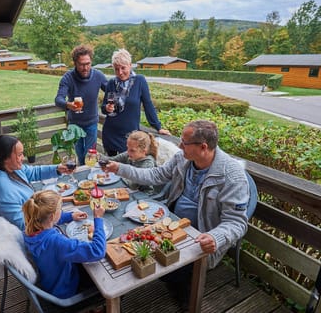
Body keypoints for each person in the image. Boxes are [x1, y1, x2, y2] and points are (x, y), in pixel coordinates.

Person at [103, 120, 249, 307]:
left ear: (203, 147)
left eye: (184, 143)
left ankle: (185, 294)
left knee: (171, 271)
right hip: (172, 223)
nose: (179, 146)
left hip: (201, 235)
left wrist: (216, 237)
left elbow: (237, 222)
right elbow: (155, 175)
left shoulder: (232, 175)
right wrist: (120, 168)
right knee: (132, 243)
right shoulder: (183, 158)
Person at [0, 135, 87, 231]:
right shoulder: (3, 192)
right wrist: (62, 217)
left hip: (37, 217)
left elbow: (33, 172)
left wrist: (57, 169)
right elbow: (25, 225)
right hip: (22, 237)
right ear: (5, 158)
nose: (23, 157)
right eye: (19, 155)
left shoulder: (7, 166)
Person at [23, 190, 106, 299]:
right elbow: (98, 251)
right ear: (52, 217)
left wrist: (70, 216)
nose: (61, 211)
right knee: (108, 280)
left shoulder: (29, 229)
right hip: (66, 290)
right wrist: (98, 219)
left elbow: (47, 219)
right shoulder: (56, 242)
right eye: (60, 209)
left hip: (50, 282)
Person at [101, 48, 170, 156]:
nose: (120, 72)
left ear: (130, 65)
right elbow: (104, 107)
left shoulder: (140, 81)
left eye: (123, 68)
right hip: (111, 134)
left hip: (130, 137)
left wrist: (158, 127)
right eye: (116, 69)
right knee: (111, 168)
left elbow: (148, 105)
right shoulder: (111, 83)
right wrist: (106, 108)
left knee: (128, 168)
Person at [55, 45, 107, 165]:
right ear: (74, 63)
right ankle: (84, 177)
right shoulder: (68, 78)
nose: (85, 68)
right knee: (79, 153)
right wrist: (68, 104)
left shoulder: (98, 76)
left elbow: (111, 91)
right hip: (75, 125)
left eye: (88, 64)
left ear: (91, 61)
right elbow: (58, 99)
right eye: (81, 64)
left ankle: (87, 177)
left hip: (92, 123)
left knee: (90, 154)